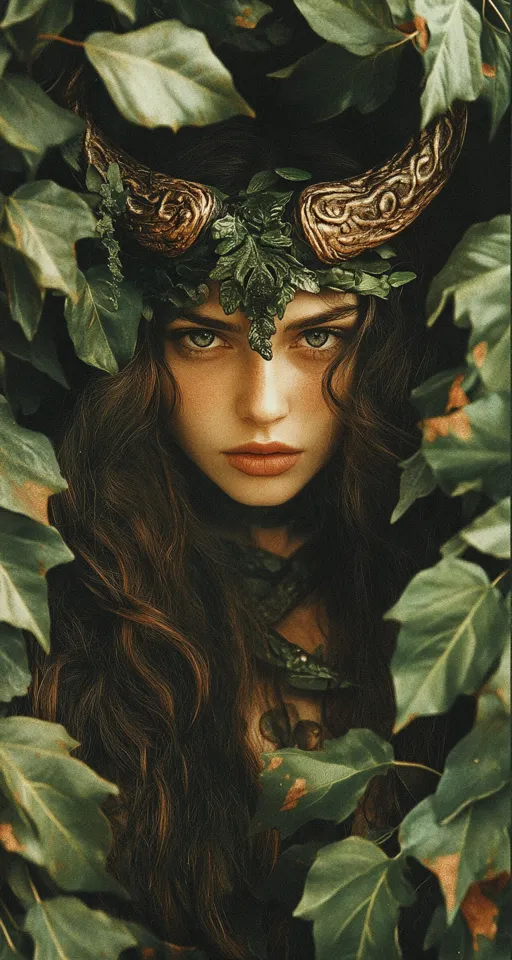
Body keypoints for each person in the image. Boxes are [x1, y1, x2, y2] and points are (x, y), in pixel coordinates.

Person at [27, 107, 468, 959]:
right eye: (203, 337)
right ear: (140, 354)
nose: (262, 404)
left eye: (319, 338)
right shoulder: (63, 604)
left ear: (376, 349)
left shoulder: (455, 581)